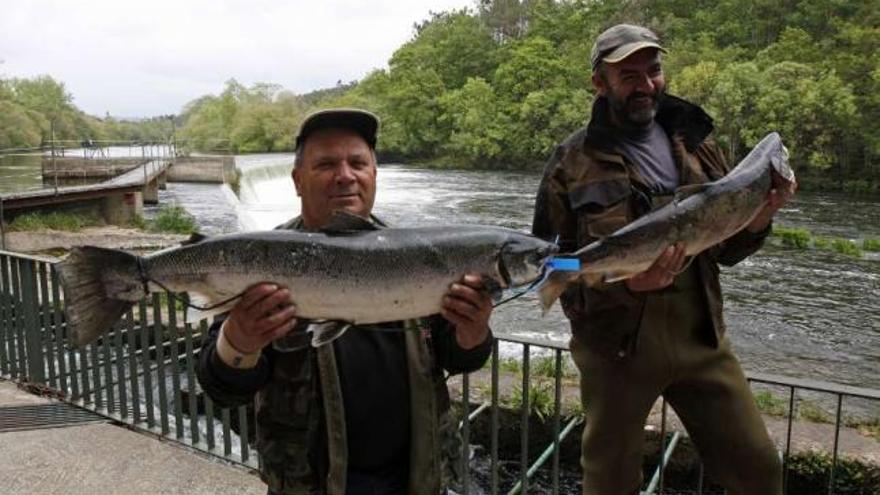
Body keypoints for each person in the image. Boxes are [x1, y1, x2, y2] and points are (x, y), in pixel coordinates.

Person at [531, 24, 796, 495]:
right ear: (600, 83)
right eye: (628, 75)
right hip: (614, 348)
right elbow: (554, 266)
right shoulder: (568, 163)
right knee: (609, 485)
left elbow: (728, 250)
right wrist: (628, 284)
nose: (645, 84)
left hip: (701, 340)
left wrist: (761, 214)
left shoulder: (697, 142)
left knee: (759, 469)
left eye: (652, 70)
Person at [197, 108, 494, 495]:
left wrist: (473, 333)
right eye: (326, 164)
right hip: (311, 485)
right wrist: (239, 342)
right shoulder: (260, 258)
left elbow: (454, 356)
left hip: (418, 479)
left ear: (374, 174)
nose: (345, 175)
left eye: (358, 162)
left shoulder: (421, 255)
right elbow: (222, 386)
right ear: (297, 180)